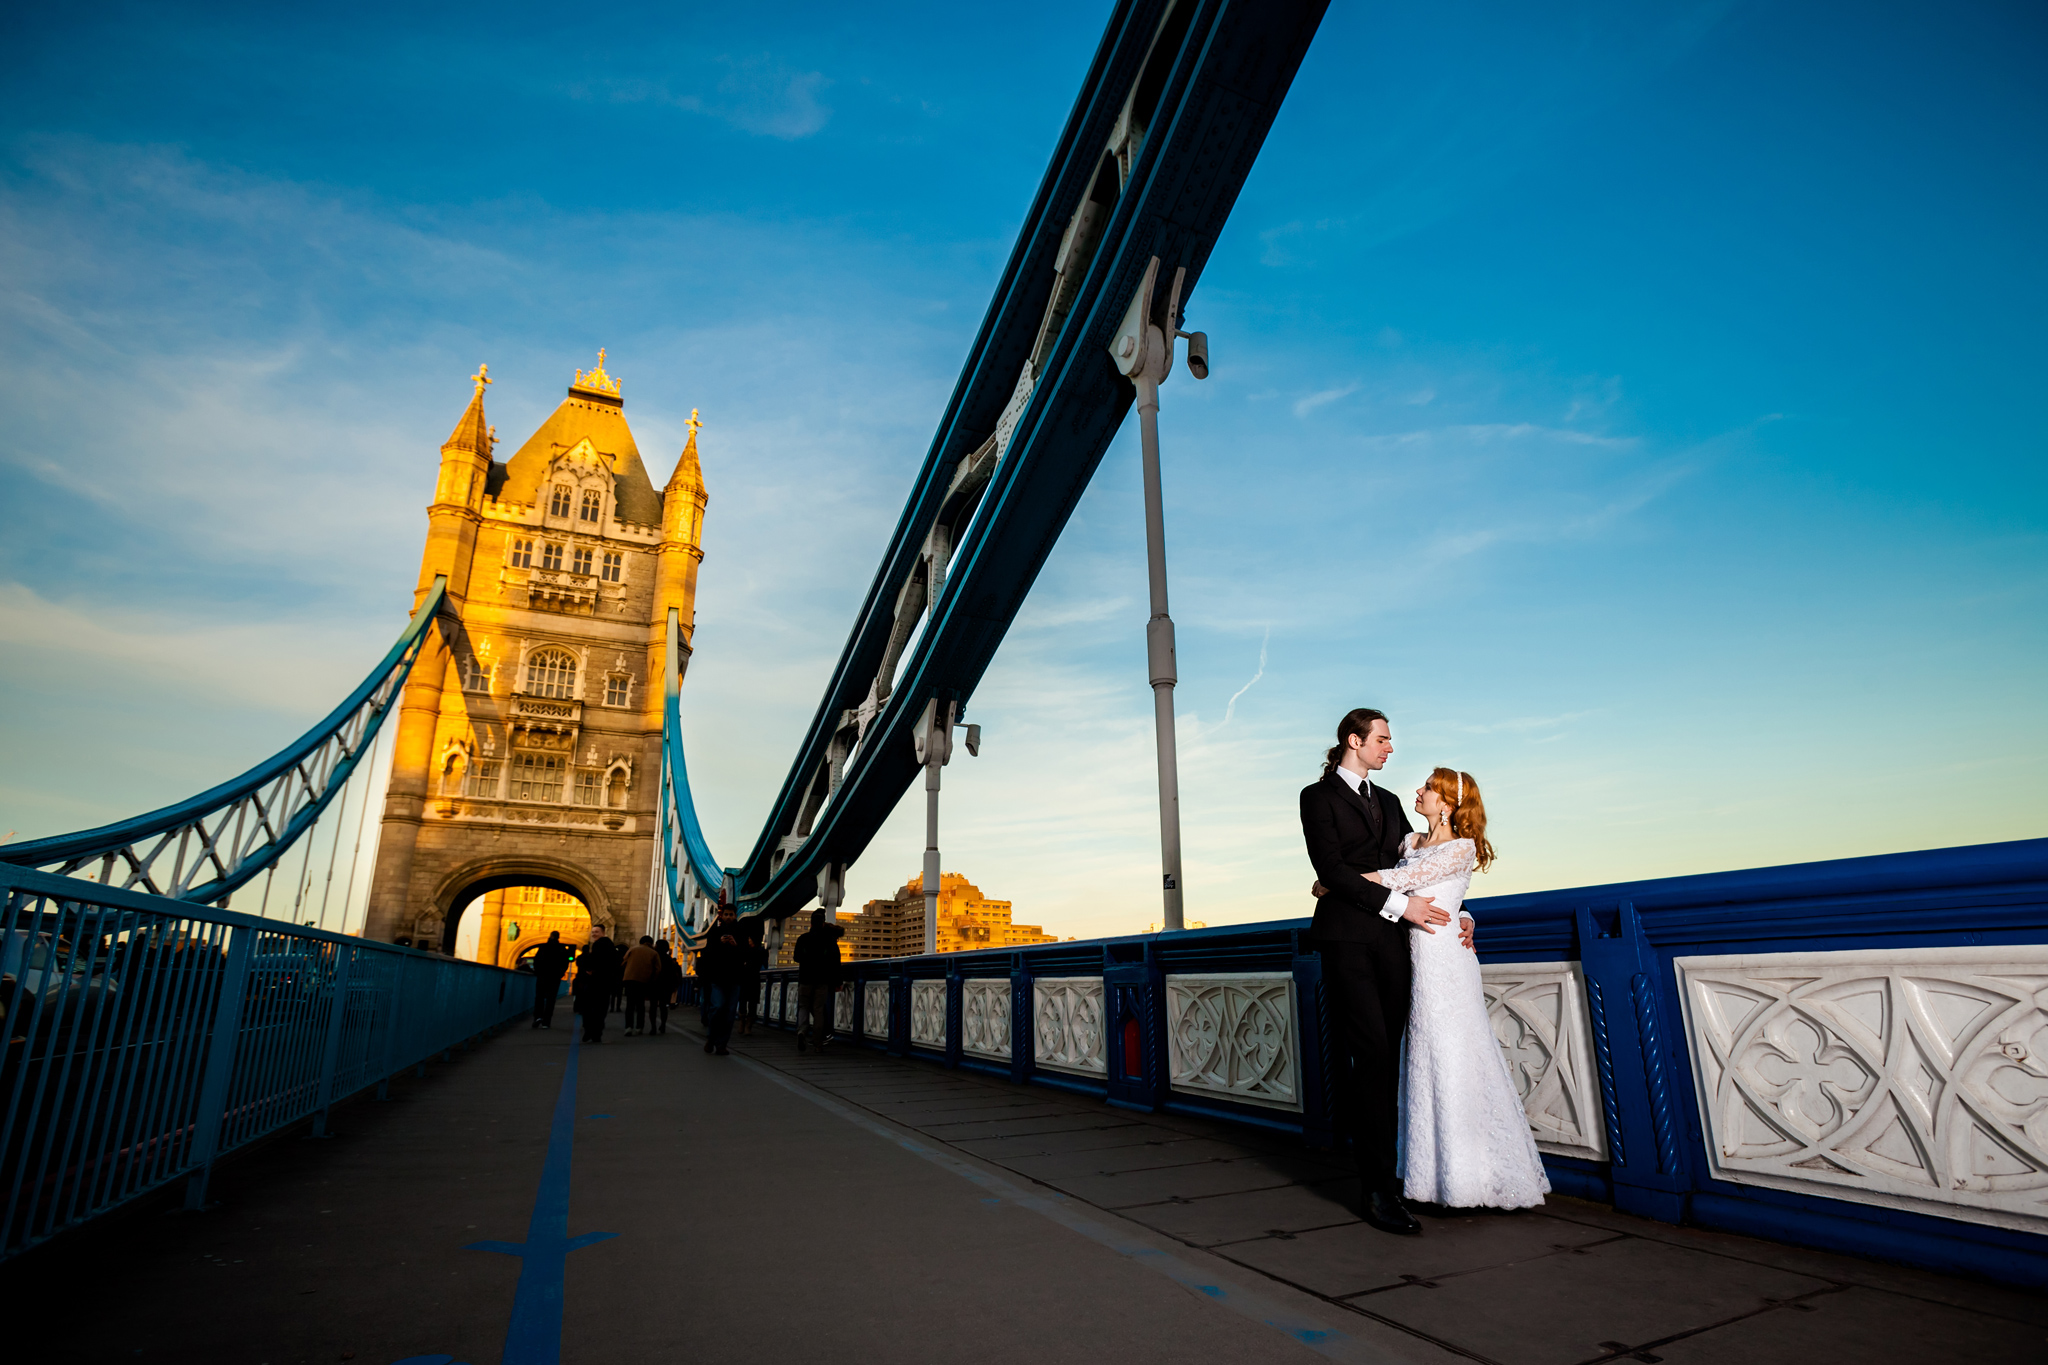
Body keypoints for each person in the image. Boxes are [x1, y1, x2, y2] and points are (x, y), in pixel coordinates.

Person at [1298, 708, 1465, 1237]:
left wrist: (1461, 913)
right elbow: (1330, 869)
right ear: (1355, 740)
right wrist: (1400, 906)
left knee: (1389, 1056)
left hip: (1395, 945)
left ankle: (1402, 1177)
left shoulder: (1390, 801)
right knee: (1370, 1054)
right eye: (1384, 739)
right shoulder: (1317, 797)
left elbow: (1421, 868)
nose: (1390, 748)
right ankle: (1377, 1191)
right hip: (1347, 940)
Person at [1353, 767, 1547, 1212]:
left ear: (1446, 804)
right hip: (1412, 960)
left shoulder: (1461, 848)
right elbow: (1413, 879)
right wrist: (1464, 911)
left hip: (1445, 962)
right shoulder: (1409, 842)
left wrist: (1334, 883)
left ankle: (1465, 1180)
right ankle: (1427, 1179)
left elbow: (1398, 881)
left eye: (1428, 788)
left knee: (1453, 1056)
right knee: (1422, 1057)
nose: (1418, 791)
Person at [697, 904, 747, 1055]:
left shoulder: (741, 933)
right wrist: (719, 943)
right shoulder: (714, 933)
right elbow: (707, 954)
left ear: (735, 916)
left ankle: (722, 1044)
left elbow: (745, 955)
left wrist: (735, 945)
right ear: (721, 916)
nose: (729, 917)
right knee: (717, 1008)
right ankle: (711, 1039)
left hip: (735, 979)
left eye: (731, 914)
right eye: (726, 914)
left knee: (730, 1013)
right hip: (717, 979)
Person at [792, 916, 844, 1053]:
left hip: (805, 979)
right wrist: (838, 981)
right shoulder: (829, 941)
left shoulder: (802, 938)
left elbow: (796, 957)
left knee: (803, 1007)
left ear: (810, 924)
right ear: (822, 924)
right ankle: (818, 1043)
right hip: (822, 980)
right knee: (818, 1010)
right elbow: (835, 962)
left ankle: (801, 1032)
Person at [573, 935, 619, 1044]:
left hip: (591, 985)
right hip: (605, 987)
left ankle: (588, 1029)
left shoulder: (591, 957)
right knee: (601, 1011)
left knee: (588, 1009)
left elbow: (586, 968)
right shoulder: (613, 958)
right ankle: (597, 1033)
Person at [620, 935, 660, 1036]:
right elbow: (658, 969)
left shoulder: (632, 949)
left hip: (629, 979)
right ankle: (639, 1027)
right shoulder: (654, 953)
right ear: (651, 943)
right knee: (640, 1005)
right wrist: (652, 980)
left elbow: (624, 962)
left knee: (630, 1004)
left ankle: (628, 1027)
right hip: (643, 980)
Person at [530, 931, 571, 1029]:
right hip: (555, 977)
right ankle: (546, 1022)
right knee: (551, 999)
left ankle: (538, 1017)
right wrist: (560, 973)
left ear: (550, 936)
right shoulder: (562, 949)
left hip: (542, 976)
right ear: (558, 937)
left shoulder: (543, 947)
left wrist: (537, 971)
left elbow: (536, 960)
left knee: (539, 997)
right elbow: (565, 963)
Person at [736, 915, 768, 1036]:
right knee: (743, 1001)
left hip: (753, 978)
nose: (748, 939)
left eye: (750, 938)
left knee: (752, 1002)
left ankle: (748, 1025)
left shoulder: (760, 951)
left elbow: (763, 965)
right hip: (746, 978)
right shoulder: (744, 950)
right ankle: (743, 1023)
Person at [652, 940, 682, 1036]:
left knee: (653, 1006)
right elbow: (673, 974)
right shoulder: (669, 959)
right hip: (666, 985)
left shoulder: (654, 958)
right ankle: (663, 1024)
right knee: (663, 1006)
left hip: (655, 984)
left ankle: (653, 1027)